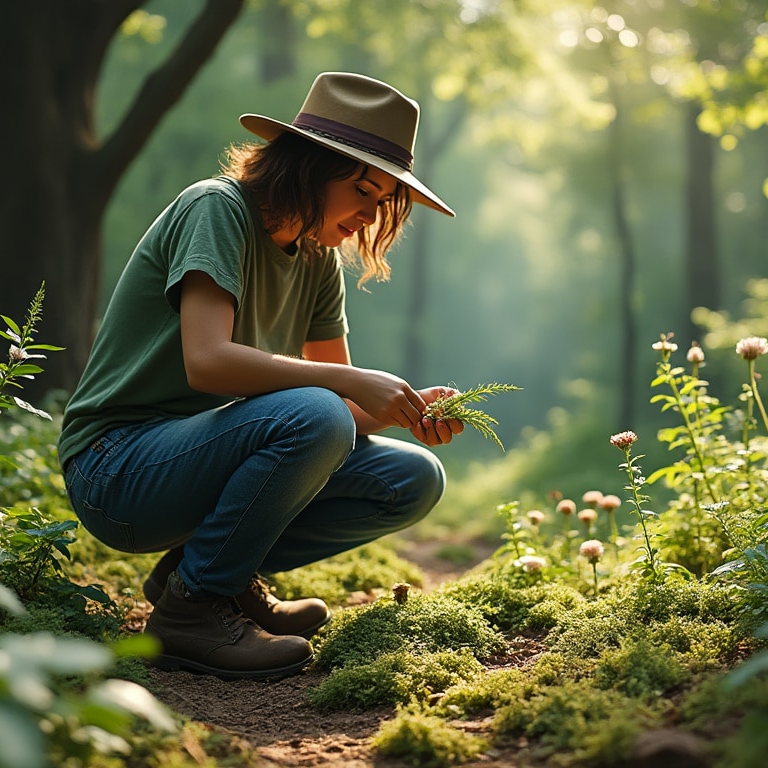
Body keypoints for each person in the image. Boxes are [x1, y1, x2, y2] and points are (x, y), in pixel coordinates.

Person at [58, 72, 464, 680]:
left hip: (203, 459)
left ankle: (195, 575)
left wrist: (404, 406)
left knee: (409, 477)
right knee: (320, 410)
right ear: (309, 165)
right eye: (361, 189)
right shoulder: (216, 210)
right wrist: (352, 385)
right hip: (118, 469)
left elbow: (340, 424)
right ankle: (192, 613)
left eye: (381, 201)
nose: (368, 213)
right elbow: (209, 360)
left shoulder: (317, 260)